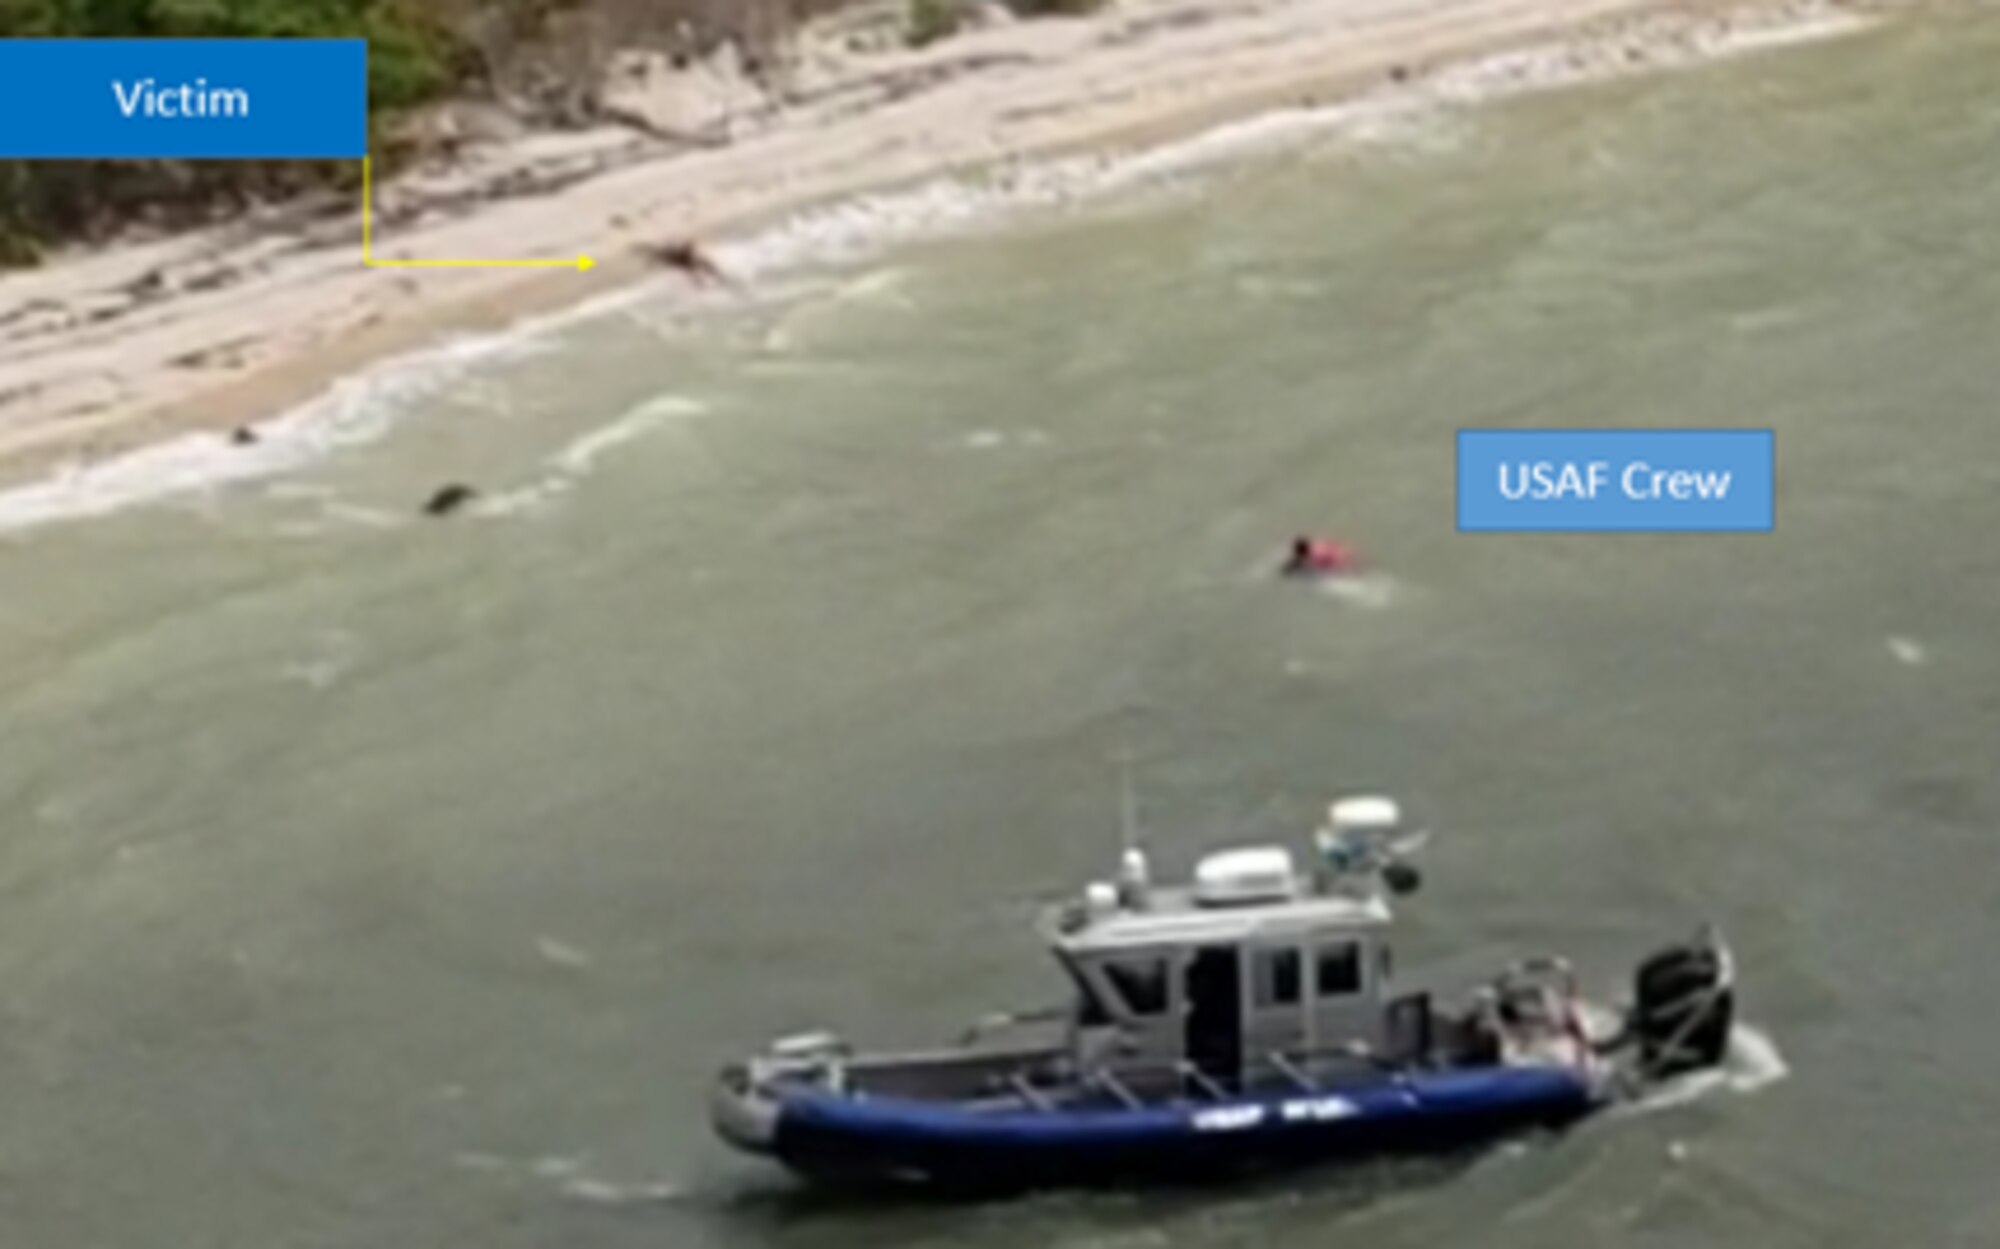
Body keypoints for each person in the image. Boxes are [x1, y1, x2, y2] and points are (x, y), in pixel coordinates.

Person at [1282, 534, 1356, 577]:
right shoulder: (1318, 544)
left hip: (1337, 563)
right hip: (1343, 554)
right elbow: (1332, 544)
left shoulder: (1309, 559)